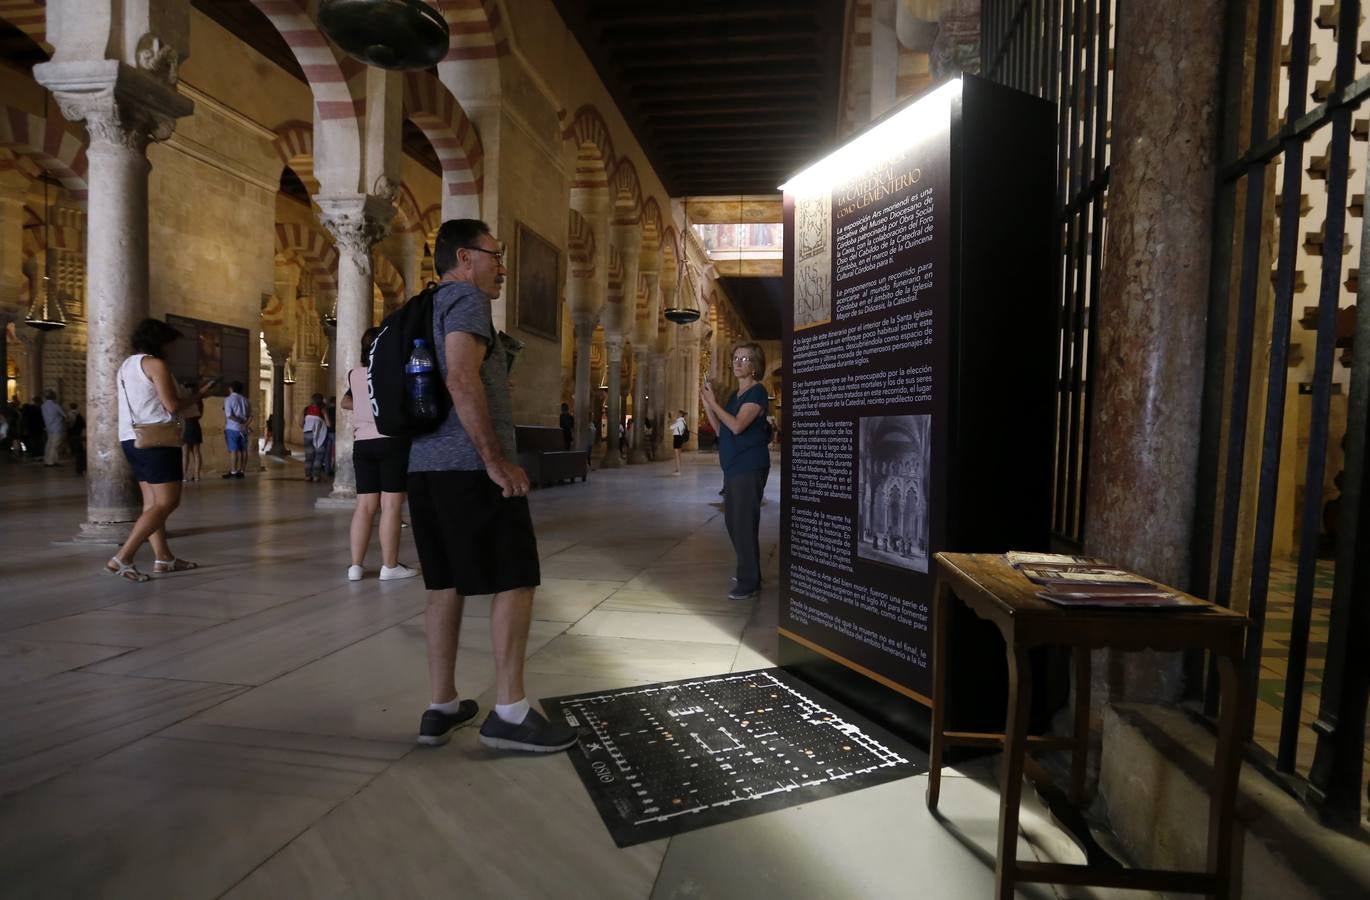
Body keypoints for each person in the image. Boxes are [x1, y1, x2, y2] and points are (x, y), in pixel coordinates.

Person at [407, 218, 576, 752]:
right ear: (464, 257)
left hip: (426, 466)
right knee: (515, 577)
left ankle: (442, 706)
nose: (502, 266)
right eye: (495, 255)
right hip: (467, 467)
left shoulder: (425, 304)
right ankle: (509, 711)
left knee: (444, 583)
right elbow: (460, 376)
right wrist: (496, 460)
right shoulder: (468, 300)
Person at [107, 318, 214, 582]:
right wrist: (200, 395)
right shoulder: (155, 364)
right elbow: (172, 405)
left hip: (131, 439)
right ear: (160, 341)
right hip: (157, 439)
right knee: (168, 501)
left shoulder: (126, 366)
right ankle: (123, 557)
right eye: (171, 344)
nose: (174, 350)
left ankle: (163, 558)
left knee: (152, 503)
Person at [342, 327, 419, 582]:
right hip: (391, 441)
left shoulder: (355, 374)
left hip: (362, 444)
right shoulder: (394, 372)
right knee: (391, 505)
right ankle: (389, 566)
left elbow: (348, 401)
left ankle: (355, 566)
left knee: (364, 506)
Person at [701, 342, 770, 601]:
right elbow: (722, 430)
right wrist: (708, 403)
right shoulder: (734, 397)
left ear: (755, 366)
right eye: (736, 358)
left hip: (749, 466)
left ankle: (748, 581)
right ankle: (751, 573)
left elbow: (738, 426)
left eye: (745, 359)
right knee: (734, 522)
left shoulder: (758, 393)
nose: (738, 363)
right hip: (733, 468)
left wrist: (714, 403)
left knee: (742, 524)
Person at [222, 380, 250, 478]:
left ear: (231, 388)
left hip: (232, 428)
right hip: (243, 430)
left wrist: (240, 422)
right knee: (244, 450)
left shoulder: (228, 400)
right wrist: (245, 424)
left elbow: (229, 415)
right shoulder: (246, 400)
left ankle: (233, 472)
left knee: (233, 450)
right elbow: (250, 416)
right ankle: (241, 471)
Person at [180, 380, 204, 481]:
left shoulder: (183, 399)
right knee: (196, 451)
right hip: (195, 423)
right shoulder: (197, 399)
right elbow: (200, 414)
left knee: (185, 452)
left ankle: (184, 475)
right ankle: (197, 475)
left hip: (185, 424)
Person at [302, 393, 328, 481]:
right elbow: (328, 424)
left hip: (307, 433)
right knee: (318, 456)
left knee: (308, 456)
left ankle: (307, 476)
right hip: (319, 434)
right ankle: (316, 476)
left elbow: (300, 423)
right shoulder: (322, 409)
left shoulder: (306, 409)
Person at [41, 390, 65, 467]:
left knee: (49, 444)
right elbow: (64, 415)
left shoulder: (43, 406)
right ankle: (50, 462)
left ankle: (48, 460)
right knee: (54, 446)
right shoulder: (55, 405)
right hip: (57, 428)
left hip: (48, 428)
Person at [67, 402, 86, 475]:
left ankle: (73, 452)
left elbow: (70, 423)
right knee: (78, 446)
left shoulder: (70, 414)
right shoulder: (78, 414)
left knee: (75, 445)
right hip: (78, 432)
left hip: (73, 432)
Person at [670, 408, 688, 474]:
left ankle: (678, 470)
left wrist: (672, 419)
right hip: (680, 438)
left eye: (678, 414)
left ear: (680, 414)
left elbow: (671, 427)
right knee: (679, 454)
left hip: (677, 438)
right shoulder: (683, 421)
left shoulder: (679, 422)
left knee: (676, 454)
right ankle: (678, 468)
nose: (676, 415)